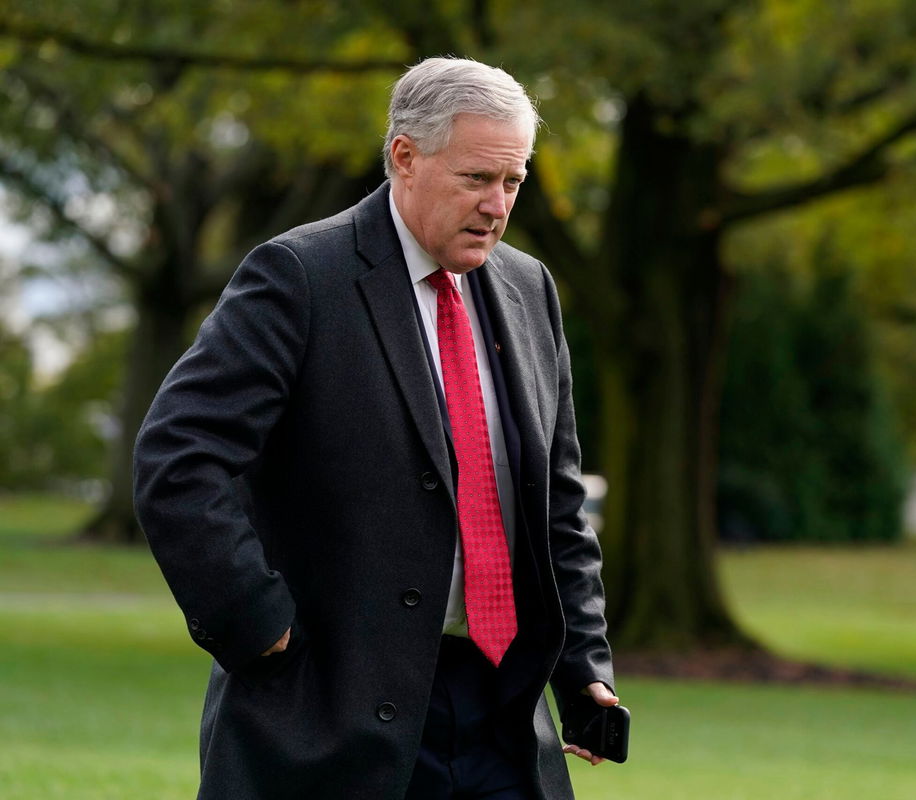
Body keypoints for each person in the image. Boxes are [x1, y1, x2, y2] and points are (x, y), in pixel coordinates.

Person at [133, 56, 617, 800]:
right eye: (476, 179)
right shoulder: (298, 276)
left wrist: (583, 665)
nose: (497, 205)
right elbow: (179, 457)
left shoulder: (528, 288)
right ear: (404, 157)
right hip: (330, 712)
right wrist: (258, 626)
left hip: (503, 719)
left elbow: (553, 498)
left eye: (512, 182)